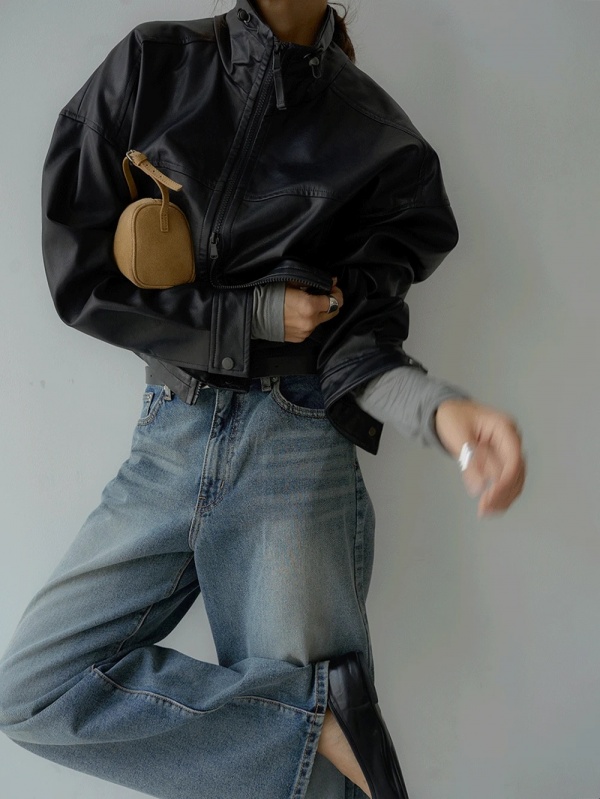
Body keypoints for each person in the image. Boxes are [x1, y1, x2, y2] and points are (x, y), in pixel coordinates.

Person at [0, 1, 525, 798]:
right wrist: (249, 315)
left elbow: (359, 344)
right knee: (33, 689)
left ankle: (317, 732)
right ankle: (316, 722)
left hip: (293, 446)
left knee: (310, 791)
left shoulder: (382, 141)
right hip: (168, 440)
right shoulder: (150, 68)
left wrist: (442, 414)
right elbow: (83, 279)